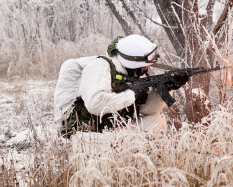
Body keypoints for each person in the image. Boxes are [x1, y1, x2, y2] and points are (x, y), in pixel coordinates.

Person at [57, 34, 189, 138]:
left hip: (111, 129)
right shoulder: (99, 67)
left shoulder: (130, 73)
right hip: (87, 134)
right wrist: (132, 95)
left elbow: (145, 111)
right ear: (133, 62)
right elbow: (95, 104)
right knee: (130, 139)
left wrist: (168, 87)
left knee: (156, 120)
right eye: (143, 65)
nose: (145, 69)